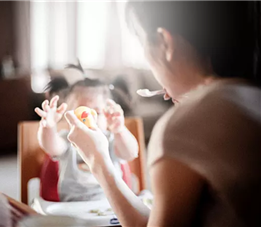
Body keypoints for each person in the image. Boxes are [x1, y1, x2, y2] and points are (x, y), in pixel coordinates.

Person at [64, 0, 261, 226]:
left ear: (165, 43)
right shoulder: (252, 95)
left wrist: (97, 160)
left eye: (141, 42)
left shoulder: (182, 127)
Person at [34, 66, 139, 202]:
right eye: (81, 112)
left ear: (107, 115)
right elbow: (51, 146)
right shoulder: (68, 139)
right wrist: (48, 127)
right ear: (68, 115)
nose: (89, 119)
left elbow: (130, 153)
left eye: (97, 112)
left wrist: (119, 130)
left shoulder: (111, 140)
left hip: (113, 207)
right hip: (73, 208)